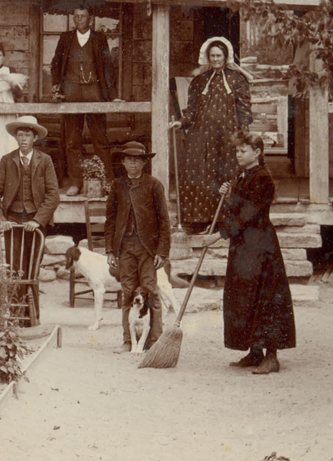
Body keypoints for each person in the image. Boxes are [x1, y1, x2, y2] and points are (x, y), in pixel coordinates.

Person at [218, 132, 296, 374]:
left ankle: (271, 356)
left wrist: (221, 234)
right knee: (244, 295)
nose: (238, 154)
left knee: (266, 297)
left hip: (261, 247)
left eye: (243, 150)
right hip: (244, 247)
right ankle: (254, 352)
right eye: (237, 150)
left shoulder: (263, 179)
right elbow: (235, 209)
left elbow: (248, 214)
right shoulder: (241, 177)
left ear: (257, 152)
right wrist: (226, 196)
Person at [170, 36, 253, 234]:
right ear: (207, 57)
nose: (215, 59)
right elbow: (191, 111)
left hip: (227, 136)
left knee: (225, 175)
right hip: (201, 136)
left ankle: (225, 221)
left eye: (219, 56)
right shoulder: (199, 81)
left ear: (226, 57)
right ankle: (199, 220)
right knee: (198, 174)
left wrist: (243, 132)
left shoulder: (237, 80)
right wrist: (180, 122)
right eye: (212, 56)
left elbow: (244, 109)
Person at [104, 141, 171, 353]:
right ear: (123, 162)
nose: (133, 164)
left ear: (144, 162)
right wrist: (109, 249)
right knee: (127, 292)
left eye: (138, 160)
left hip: (148, 249)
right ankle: (127, 340)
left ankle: (155, 340)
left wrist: (162, 251)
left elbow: (164, 221)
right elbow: (110, 220)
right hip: (125, 248)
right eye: (129, 160)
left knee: (151, 291)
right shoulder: (117, 186)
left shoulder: (154, 185)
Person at [0, 115, 60, 320]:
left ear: (35, 138)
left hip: (36, 222)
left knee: (32, 268)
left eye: (28, 135)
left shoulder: (45, 160)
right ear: (16, 137)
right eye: (20, 134)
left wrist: (37, 220)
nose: (23, 138)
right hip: (13, 221)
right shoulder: (7, 160)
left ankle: (32, 317)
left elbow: (53, 195)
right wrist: (2, 219)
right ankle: (16, 316)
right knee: (15, 268)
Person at [51, 5, 114, 196]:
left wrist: (110, 94)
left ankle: (107, 182)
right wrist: (56, 86)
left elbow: (108, 67)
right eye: (76, 16)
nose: (79, 20)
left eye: (83, 16)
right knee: (72, 140)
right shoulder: (66, 38)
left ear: (90, 19)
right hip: (71, 90)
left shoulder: (99, 38)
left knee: (100, 138)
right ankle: (75, 182)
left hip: (94, 91)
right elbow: (55, 63)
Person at [0, 43, 27, 159]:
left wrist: (12, 84)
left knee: (8, 142)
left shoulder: (10, 71)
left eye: (0, 55)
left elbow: (19, 95)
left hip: (8, 113)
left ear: (4, 57)